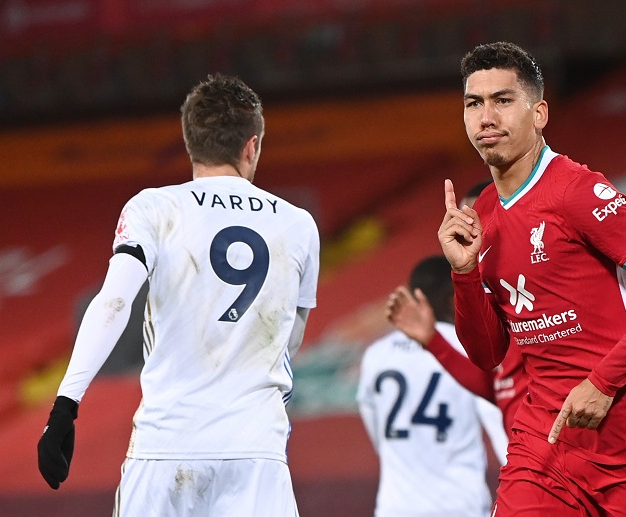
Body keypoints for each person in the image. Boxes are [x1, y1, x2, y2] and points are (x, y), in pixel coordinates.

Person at [438, 42, 626, 515]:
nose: (485, 117)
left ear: (539, 113)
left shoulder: (576, 191)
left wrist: (601, 384)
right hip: (542, 440)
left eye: (502, 100)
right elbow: (488, 353)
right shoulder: (481, 215)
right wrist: (463, 274)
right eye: (473, 103)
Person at [37, 73, 319, 516]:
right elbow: (291, 337)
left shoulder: (152, 207)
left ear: (190, 143)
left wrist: (66, 405)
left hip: (167, 444)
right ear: (252, 145)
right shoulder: (299, 224)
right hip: (255, 450)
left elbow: (114, 301)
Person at [357, 255, 508, 517]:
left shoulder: (376, 354)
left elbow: (375, 428)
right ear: (454, 296)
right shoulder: (469, 348)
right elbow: (500, 427)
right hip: (461, 504)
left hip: (396, 506)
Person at [387, 180, 528, 437]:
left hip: (565, 453)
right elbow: (502, 388)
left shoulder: (539, 291)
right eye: (462, 225)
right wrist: (433, 341)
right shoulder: (491, 298)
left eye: (477, 221)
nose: (468, 235)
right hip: (529, 455)